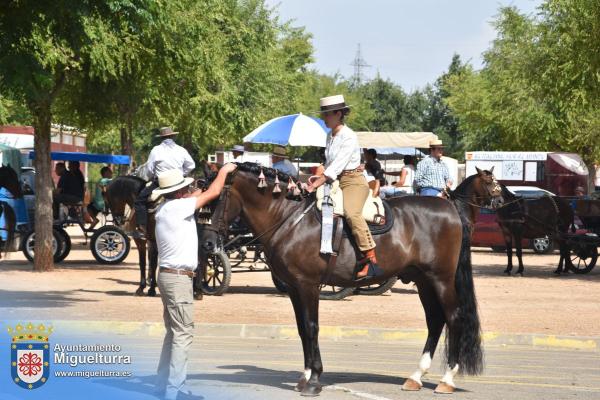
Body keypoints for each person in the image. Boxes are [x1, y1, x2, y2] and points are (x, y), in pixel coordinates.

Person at [153, 163, 237, 400]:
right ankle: (174, 391)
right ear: (179, 192)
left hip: (169, 277)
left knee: (173, 332)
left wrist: (200, 188)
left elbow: (198, 195)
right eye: (186, 187)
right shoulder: (179, 207)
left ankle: (163, 385)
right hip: (178, 279)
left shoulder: (166, 208)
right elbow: (212, 194)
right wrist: (223, 172)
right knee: (183, 333)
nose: (190, 189)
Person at [306, 94, 382, 280]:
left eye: (327, 114)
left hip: (354, 181)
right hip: (336, 180)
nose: (324, 118)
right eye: (324, 114)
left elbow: (337, 165)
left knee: (351, 212)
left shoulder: (348, 136)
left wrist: (317, 182)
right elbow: (329, 163)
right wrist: (315, 177)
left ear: (338, 113)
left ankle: (370, 258)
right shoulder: (329, 136)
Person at [134, 127, 195, 238]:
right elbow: (191, 165)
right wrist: (181, 174)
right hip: (180, 183)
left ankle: (142, 229)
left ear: (161, 138)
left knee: (139, 201)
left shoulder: (156, 150)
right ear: (173, 136)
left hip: (161, 184)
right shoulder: (181, 150)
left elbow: (149, 170)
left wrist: (151, 177)